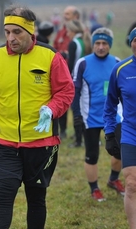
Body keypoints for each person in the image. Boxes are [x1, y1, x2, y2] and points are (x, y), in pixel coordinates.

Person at [0, 4, 74, 229]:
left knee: (35, 195)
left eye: (16, 32)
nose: (10, 38)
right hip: (6, 142)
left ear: (30, 31)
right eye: (7, 32)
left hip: (42, 143)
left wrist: (50, 110)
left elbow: (66, 91)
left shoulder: (50, 57)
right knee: (4, 191)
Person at [72, 27, 123, 202]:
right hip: (90, 118)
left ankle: (114, 179)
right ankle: (94, 188)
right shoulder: (83, 63)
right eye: (97, 43)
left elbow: (124, 92)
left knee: (120, 152)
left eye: (104, 43)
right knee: (92, 154)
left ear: (109, 45)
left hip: (114, 117)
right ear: (93, 44)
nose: (100, 47)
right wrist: (77, 116)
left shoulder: (117, 62)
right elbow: (75, 91)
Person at [104, 27, 136, 229]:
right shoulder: (120, 69)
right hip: (131, 133)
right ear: (131, 43)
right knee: (132, 184)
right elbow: (110, 105)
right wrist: (108, 132)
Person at [53, 5, 80, 140]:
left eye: (68, 14)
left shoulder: (81, 33)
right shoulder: (61, 32)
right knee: (61, 102)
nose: (65, 16)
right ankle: (62, 130)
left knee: (77, 105)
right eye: (64, 14)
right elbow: (54, 49)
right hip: (61, 73)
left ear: (76, 16)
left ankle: (78, 133)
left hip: (75, 74)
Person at [66, 19, 92, 148]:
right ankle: (89, 138)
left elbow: (71, 65)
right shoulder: (86, 41)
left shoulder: (73, 43)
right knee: (85, 109)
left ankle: (78, 141)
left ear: (73, 31)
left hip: (75, 80)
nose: (67, 33)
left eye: (68, 31)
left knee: (76, 109)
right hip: (87, 80)